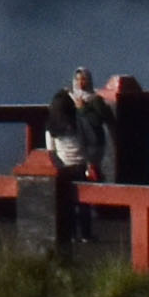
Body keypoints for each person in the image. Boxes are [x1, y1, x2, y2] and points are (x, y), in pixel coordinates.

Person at [47, 69, 102, 242]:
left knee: (66, 203)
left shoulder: (51, 127)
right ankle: (85, 234)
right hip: (81, 165)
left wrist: (58, 165)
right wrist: (90, 161)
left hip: (63, 167)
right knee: (83, 202)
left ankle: (68, 235)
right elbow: (91, 140)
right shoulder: (79, 121)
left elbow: (51, 150)